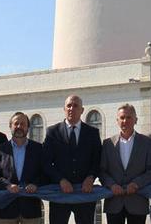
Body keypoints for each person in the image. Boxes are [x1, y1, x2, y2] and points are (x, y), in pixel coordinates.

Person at [42, 94, 102, 224]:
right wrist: (61, 180)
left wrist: (91, 177)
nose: (71, 108)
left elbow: (97, 160)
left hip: (85, 194)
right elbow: (46, 162)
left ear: (82, 110)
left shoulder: (92, 133)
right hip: (60, 193)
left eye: (75, 106)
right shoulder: (52, 132)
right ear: (64, 109)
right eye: (68, 105)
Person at [99, 104, 151, 224]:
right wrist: (111, 185)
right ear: (117, 121)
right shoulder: (108, 144)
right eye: (122, 118)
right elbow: (102, 171)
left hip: (137, 202)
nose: (125, 121)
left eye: (129, 117)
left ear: (135, 120)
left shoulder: (147, 143)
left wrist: (137, 183)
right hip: (114, 203)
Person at [0, 112, 44, 224]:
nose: (19, 126)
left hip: (31, 208)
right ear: (10, 126)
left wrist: (36, 184)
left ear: (28, 127)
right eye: (16, 123)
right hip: (7, 208)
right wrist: (7, 185)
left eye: (23, 124)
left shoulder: (38, 149)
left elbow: (45, 172)